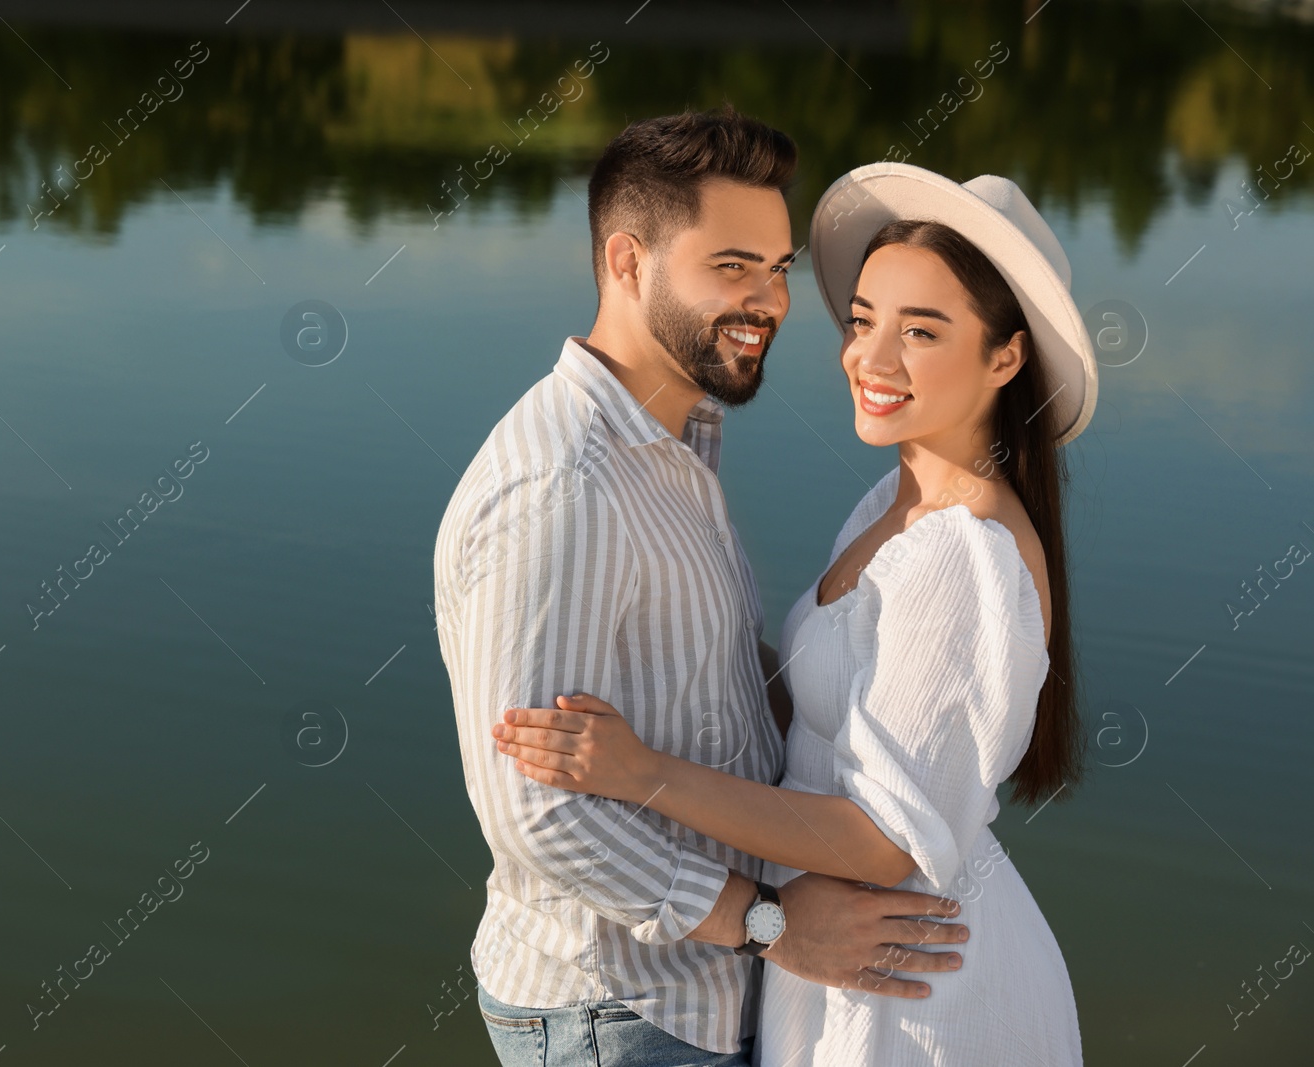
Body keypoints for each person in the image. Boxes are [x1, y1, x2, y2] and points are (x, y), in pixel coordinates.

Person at [490, 161, 1097, 1064]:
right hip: (847, 956)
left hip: (919, 991)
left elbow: (881, 841)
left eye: (921, 332)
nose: (871, 359)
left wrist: (643, 771)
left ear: (1005, 357)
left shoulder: (962, 557)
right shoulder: (890, 508)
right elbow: (825, 717)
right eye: (862, 322)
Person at [434, 110, 971, 1067]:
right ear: (627, 262)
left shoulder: (678, 437)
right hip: (620, 1011)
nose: (769, 300)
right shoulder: (562, 487)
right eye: (732, 266)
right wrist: (767, 923)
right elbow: (537, 813)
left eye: (778, 268)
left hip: (688, 998)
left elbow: (705, 686)